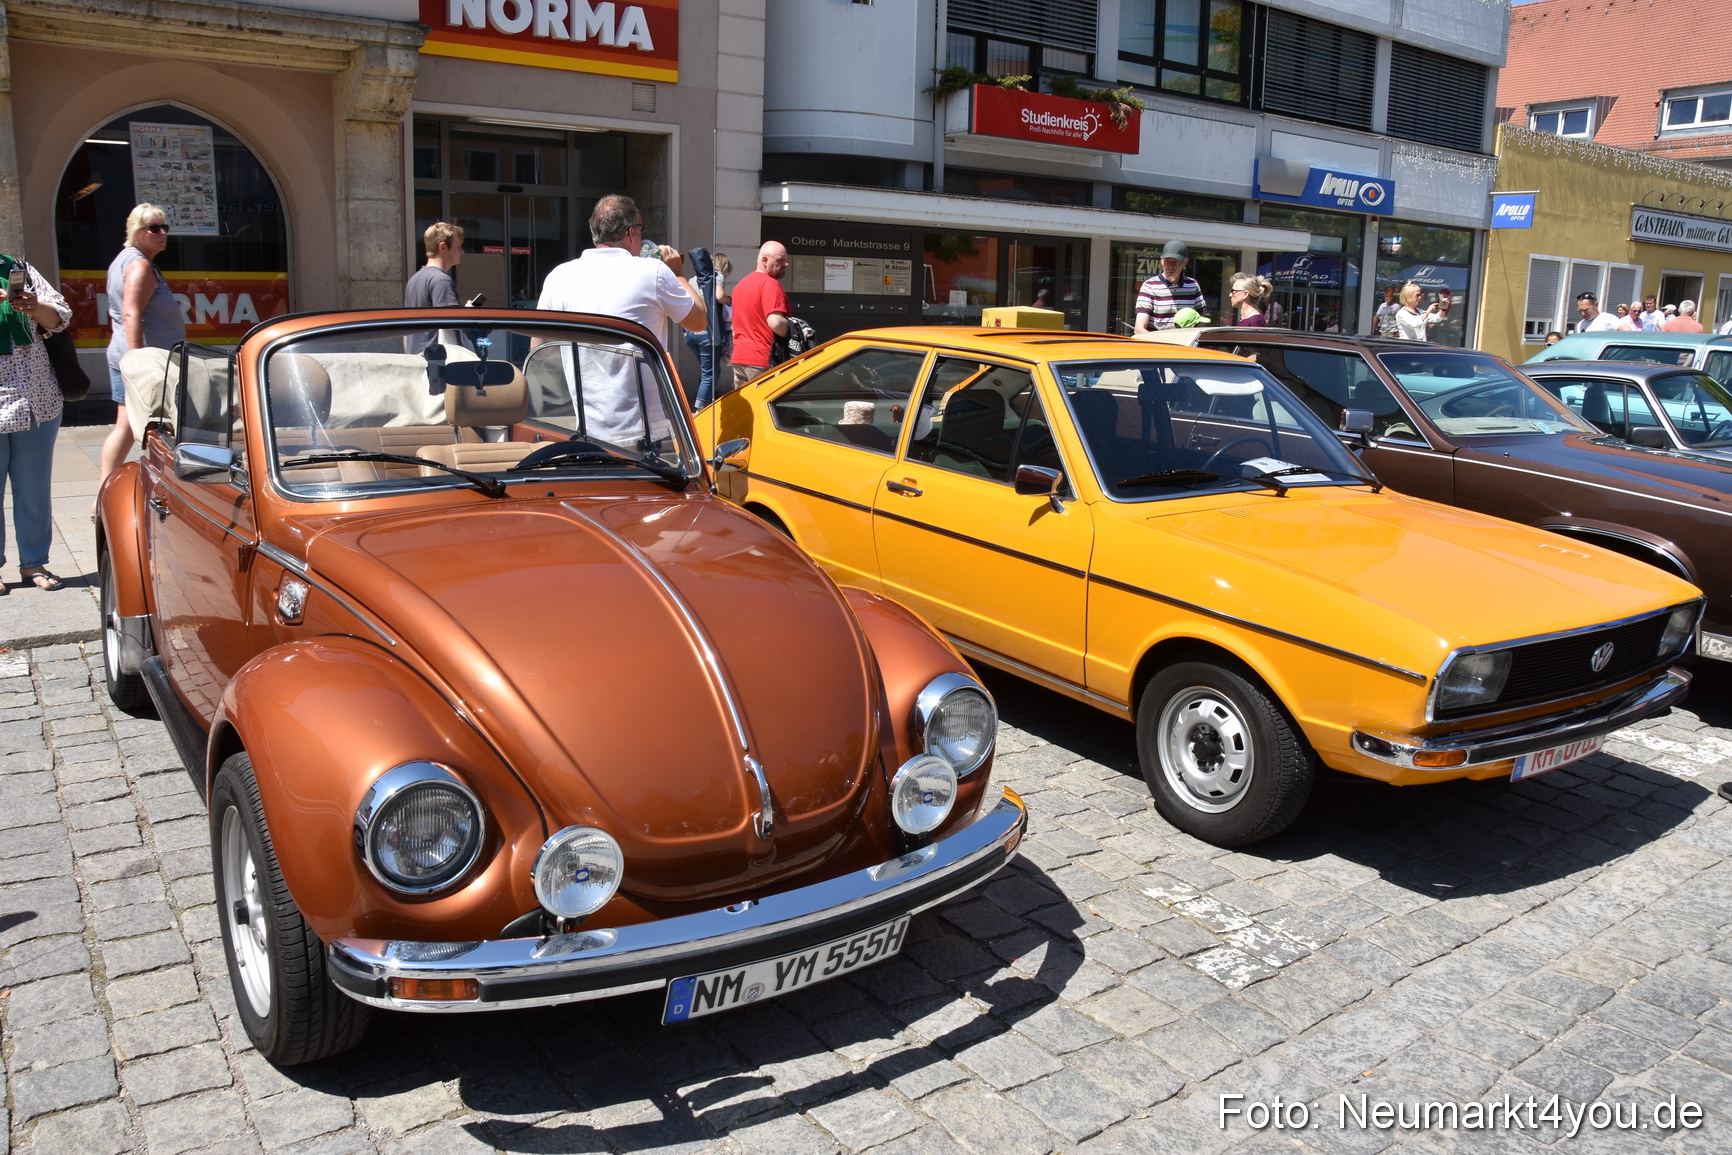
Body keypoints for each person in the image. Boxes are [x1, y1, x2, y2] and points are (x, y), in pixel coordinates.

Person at [536, 195, 705, 441]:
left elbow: (539, 349)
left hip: (584, 428)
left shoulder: (558, 276)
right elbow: (699, 320)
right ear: (630, 232)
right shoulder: (652, 272)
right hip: (640, 431)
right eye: (640, 228)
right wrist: (677, 273)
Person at [0, 256, 73, 593]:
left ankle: (33, 562)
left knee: (34, 489)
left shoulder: (19, 267)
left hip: (36, 398)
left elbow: (60, 318)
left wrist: (34, 306)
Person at [101, 204, 185, 491]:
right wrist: (138, 361)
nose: (162, 233)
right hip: (146, 362)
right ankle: (111, 492)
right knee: (146, 428)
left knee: (126, 427)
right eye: (154, 228)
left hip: (136, 357)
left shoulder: (127, 260)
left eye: (165, 227)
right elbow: (131, 314)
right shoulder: (138, 265)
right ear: (137, 233)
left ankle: (103, 492)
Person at [730, 241, 791, 387]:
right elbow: (775, 323)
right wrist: (796, 329)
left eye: (786, 260)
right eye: (780, 260)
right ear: (764, 260)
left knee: (746, 409)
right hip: (763, 360)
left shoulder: (740, 285)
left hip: (740, 358)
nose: (786, 264)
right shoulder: (770, 284)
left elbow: (734, 326)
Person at [404, 221, 464, 354]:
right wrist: (468, 313)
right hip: (438, 364)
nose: (462, 251)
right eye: (458, 246)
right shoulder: (441, 280)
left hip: (416, 359)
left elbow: (405, 332)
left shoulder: (414, 280)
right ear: (443, 247)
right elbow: (450, 323)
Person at [682, 251, 731, 408]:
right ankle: (699, 410)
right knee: (710, 374)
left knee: (709, 371)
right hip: (708, 333)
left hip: (690, 333)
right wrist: (730, 300)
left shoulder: (692, 280)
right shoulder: (717, 276)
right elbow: (719, 296)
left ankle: (705, 401)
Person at [1133, 241, 1206, 333]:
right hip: (1159, 345)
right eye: (1167, 261)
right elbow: (1139, 329)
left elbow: (1202, 322)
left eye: (1175, 262)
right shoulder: (1149, 286)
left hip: (1185, 345)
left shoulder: (1193, 285)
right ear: (1161, 261)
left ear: (1185, 262)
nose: (1170, 267)